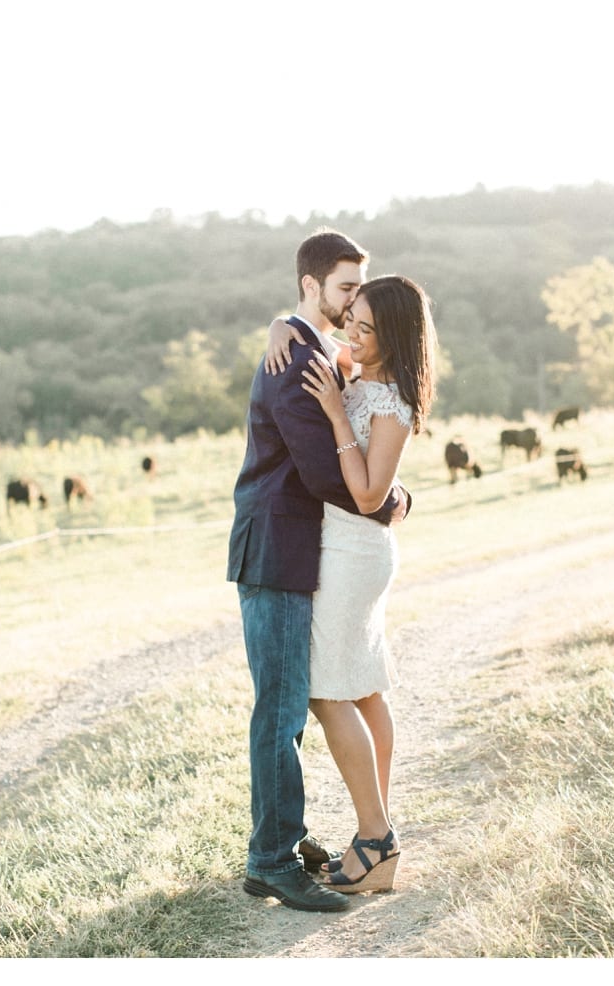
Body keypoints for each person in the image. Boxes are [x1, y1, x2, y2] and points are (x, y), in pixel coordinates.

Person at [227, 229, 412, 912]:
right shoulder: (297, 358)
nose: (351, 305)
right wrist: (392, 500)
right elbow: (327, 476)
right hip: (280, 550)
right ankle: (275, 859)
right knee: (286, 711)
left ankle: (328, 840)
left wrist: (287, 322)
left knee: (310, 702)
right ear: (311, 286)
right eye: (343, 291)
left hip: (317, 552)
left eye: (358, 294)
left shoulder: (316, 347)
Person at [281, 274, 437, 894]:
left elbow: (370, 492)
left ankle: (375, 838)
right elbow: (302, 324)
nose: (352, 331)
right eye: (353, 318)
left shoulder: (391, 397)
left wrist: (332, 412)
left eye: (366, 327)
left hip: (355, 548)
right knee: (366, 687)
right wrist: (278, 327)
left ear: (393, 335)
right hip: (343, 546)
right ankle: (377, 829)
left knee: (327, 690)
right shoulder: (359, 368)